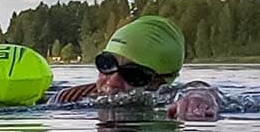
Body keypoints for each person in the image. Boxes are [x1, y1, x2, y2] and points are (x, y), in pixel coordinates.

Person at [49, 15, 220, 120]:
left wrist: (201, 96)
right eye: (107, 64)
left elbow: (196, 88)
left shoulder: (166, 99)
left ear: (161, 81)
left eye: (133, 74)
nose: (113, 81)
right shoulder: (69, 97)